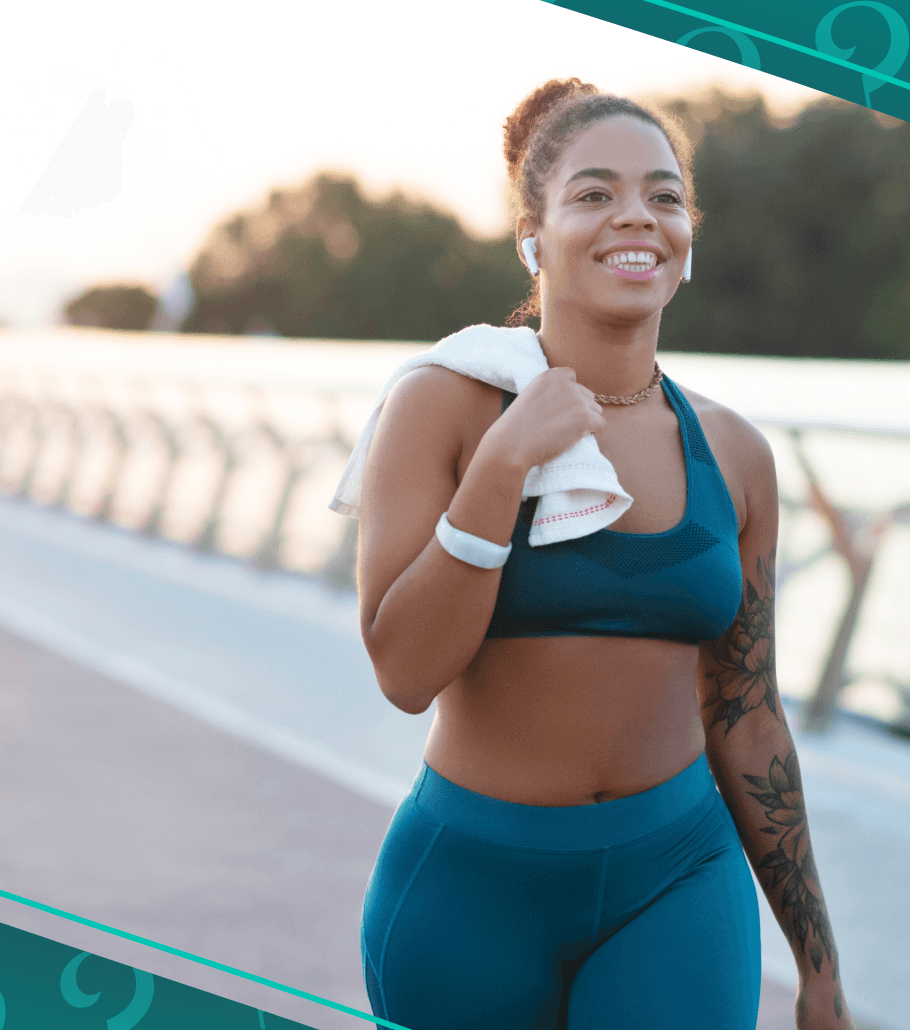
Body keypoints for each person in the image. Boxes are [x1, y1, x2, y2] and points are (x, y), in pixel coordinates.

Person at [352, 79, 854, 1029]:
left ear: (688, 235)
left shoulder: (736, 454)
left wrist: (819, 968)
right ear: (531, 236)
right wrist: (503, 467)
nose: (638, 216)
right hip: (472, 890)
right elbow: (404, 671)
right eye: (594, 193)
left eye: (665, 196)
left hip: (678, 878)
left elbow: (748, 716)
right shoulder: (445, 405)